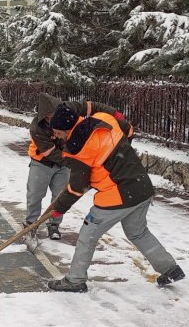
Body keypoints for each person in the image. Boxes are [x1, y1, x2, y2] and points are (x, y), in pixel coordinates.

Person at [45, 103, 185, 292]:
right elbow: (128, 131)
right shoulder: (105, 120)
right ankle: (170, 269)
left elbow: (78, 186)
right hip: (141, 187)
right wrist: (118, 160)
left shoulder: (76, 148)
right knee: (137, 232)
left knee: (88, 234)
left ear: (67, 128)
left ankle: (75, 280)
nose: (56, 136)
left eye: (57, 132)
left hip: (118, 195)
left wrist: (59, 209)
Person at [26, 93, 122, 240]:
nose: (56, 116)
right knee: (35, 195)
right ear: (45, 116)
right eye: (51, 115)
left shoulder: (69, 109)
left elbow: (92, 106)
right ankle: (31, 225)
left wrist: (113, 113)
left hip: (65, 164)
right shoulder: (37, 127)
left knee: (59, 196)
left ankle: (54, 225)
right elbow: (49, 153)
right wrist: (77, 163)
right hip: (42, 163)